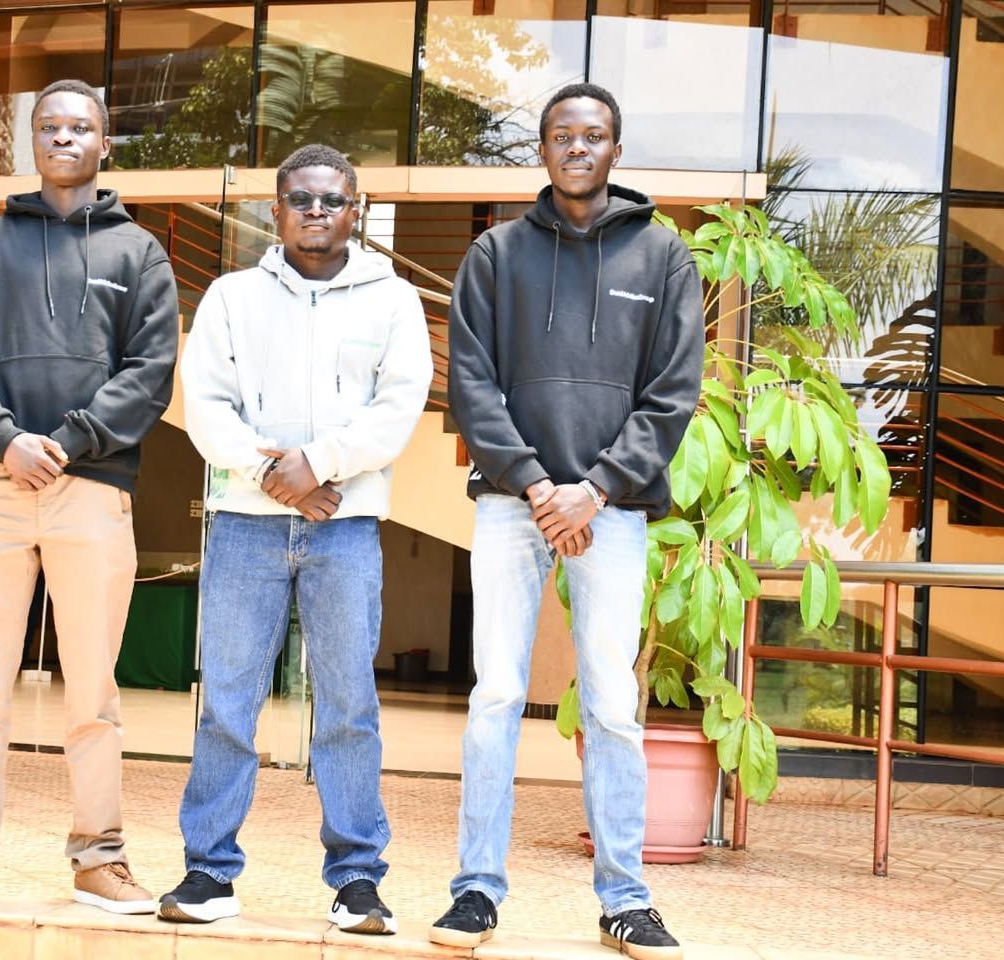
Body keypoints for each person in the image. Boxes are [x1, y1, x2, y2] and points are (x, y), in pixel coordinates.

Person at [0, 78, 179, 912]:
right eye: (48, 125)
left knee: (92, 693)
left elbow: (149, 374)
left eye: (77, 126)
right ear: (33, 143)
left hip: (91, 489)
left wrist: (72, 439)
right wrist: (7, 439)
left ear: (103, 143)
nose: (62, 137)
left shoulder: (140, 253)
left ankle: (100, 859)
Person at [430, 83, 703, 959]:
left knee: (614, 705)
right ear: (541, 150)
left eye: (593, 136)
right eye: (560, 135)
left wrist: (594, 489)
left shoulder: (663, 257)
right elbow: (470, 383)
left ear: (615, 152)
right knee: (496, 696)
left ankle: (624, 898)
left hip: (612, 513)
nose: (576, 147)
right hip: (514, 507)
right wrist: (541, 486)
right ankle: (474, 892)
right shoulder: (495, 254)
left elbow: (672, 395)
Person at [161, 144, 432, 934]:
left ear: (358, 209)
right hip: (244, 528)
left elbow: (396, 407)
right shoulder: (230, 297)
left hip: (344, 531)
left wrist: (321, 464)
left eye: (332, 199)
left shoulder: (394, 300)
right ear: (273, 209)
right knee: (227, 704)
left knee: (348, 707)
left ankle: (355, 881)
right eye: (300, 199)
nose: (316, 211)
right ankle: (209, 873)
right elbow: (205, 406)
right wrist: (276, 475)